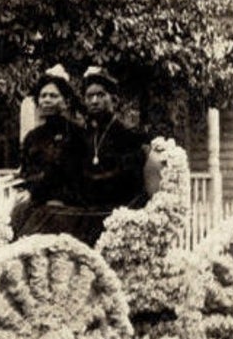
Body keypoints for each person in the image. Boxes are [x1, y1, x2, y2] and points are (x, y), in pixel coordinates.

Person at [9, 66, 85, 240]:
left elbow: (72, 175)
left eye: (53, 96)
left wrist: (55, 197)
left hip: (65, 205)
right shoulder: (32, 137)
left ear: (65, 101)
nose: (47, 100)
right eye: (43, 96)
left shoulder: (76, 134)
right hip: (35, 203)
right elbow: (26, 172)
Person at [76, 67, 149, 235]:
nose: (94, 101)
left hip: (118, 218)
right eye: (89, 96)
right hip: (87, 217)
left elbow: (132, 184)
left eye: (101, 95)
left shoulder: (129, 136)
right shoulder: (84, 137)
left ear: (114, 101)